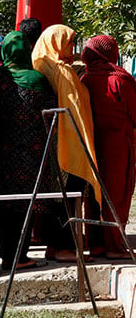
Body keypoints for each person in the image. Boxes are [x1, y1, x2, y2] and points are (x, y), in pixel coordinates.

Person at [0, 32, 59, 270]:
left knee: (5, 204)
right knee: (25, 204)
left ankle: (7, 254)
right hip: (33, 154)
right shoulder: (38, 80)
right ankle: (19, 256)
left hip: (1, 153)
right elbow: (53, 114)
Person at [32, 24, 101, 262]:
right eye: (70, 42)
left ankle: (55, 247)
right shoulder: (62, 72)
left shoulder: (40, 64)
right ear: (57, 42)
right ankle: (65, 249)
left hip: (49, 142)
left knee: (57, 196)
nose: (73, 47)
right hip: (67, 142)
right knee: (70, 195)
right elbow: (76, 110)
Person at [81, 35, 136, 259]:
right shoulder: (120, 80)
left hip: (92, 144)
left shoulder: (84, 79)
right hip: (118, 146)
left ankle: (96, 244)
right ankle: (114, 246)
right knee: (116, 193)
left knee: (93, 194)